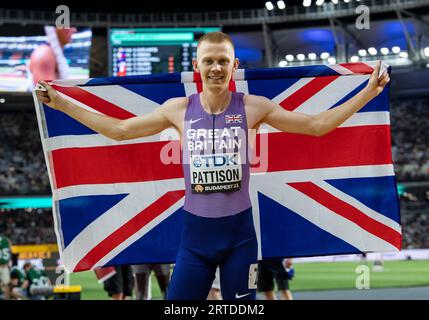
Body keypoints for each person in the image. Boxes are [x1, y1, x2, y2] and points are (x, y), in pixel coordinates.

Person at [36, 31, 390, 300]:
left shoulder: (253, 107)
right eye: (209, 61)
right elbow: (118, 129)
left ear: (235, 65)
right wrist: (63, 104)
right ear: (197, 66)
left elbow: (316, 126)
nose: (216, 67)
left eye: (223, 60)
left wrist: (368, 93)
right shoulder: (177, 109)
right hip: (195, 242)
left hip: (240, 241)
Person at [0, 235, 12, 300]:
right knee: (6, 284)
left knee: (6, 285)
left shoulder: (5, 239)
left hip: (4, 265)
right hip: (4, 265)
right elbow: (10, 249)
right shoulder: (6, 239)